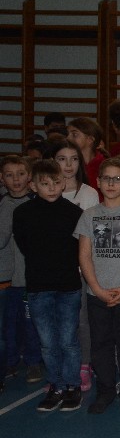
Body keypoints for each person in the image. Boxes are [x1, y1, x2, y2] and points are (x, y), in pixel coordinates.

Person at [75, 156, 120, 414]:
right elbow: (84, 255)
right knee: (101, 345)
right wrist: (96, 288)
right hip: (97, 294)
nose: (112, 183)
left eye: (118, 179)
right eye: (107, 178)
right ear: (98, 182)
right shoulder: (89, 215)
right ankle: (105, 391)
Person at [12, 159, 84, 412]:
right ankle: (56, 385)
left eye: (56, 182)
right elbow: (24, 244)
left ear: (63, 183)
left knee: (68, 340)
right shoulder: (22, 213)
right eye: (45, 184)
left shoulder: (74, 213)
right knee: (47, 342)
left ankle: (73, 385)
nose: (52, 188)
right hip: (38, 287)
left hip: (68, 287)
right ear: (33, 186)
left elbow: (79, 248)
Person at [0, 156, 39, 389]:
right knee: (8, 324)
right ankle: (10, 361)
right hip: (5, 278)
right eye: (9, 175)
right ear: (2, 178)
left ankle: (33, 361)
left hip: (29, 276)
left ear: (29, 176)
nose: (15, 179)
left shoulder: (36, 203)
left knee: (30, 322)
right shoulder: (3, 204)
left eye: (21, 174)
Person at [47, 139, 99, 209]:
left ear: (79, 161)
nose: (69, 164)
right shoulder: (45, 192)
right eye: (62, 159)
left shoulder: (89, 193)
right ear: (52, 161)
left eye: (74, 159)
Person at [67, 117, 107, 188]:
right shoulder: (68, 164)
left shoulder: (104, 165)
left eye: (74, 135)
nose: (68, 138)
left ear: (90, 140)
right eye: (67, 134)